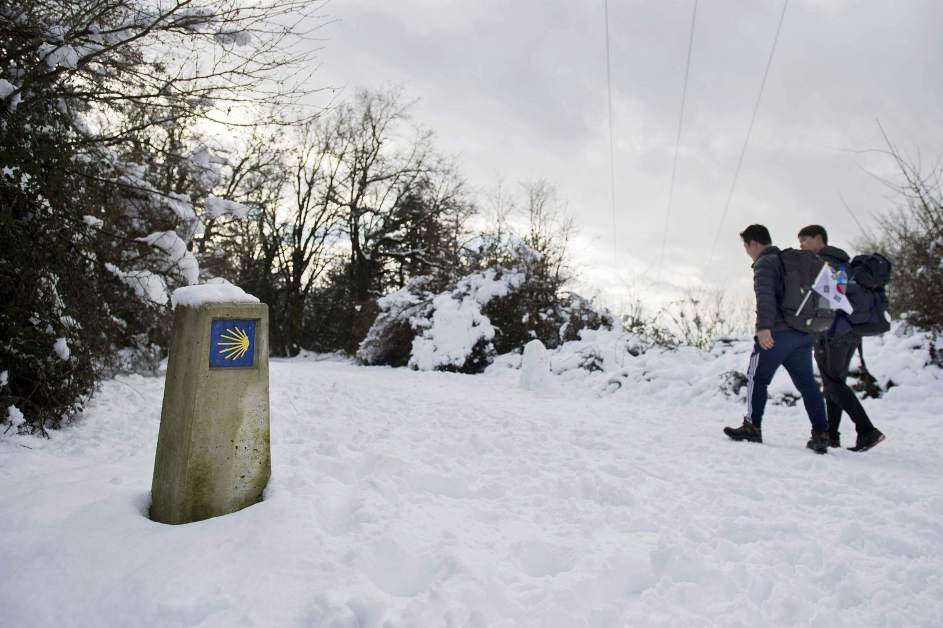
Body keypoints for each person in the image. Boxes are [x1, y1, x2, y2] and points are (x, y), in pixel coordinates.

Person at [724, 224, 830, 453]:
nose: (746, 251)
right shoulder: (790, 261)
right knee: (807, 384)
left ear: (753, 243)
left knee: (756, 377)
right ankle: (821, 433)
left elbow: (765, 297)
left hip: (777, 334)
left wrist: (764, 328)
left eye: (745, 246)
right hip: (802, 334)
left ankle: (752, 427)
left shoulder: (765, 263)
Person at [797, 225, 886, 452]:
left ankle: (866, 430)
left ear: (819, 239)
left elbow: (826, 301)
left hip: (832, 333)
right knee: (835, 382)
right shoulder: (844, 263)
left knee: (832, 384)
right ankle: (832, 435)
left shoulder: (825, 264)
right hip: (849, 333)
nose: (802, 246)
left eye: (804, 241)